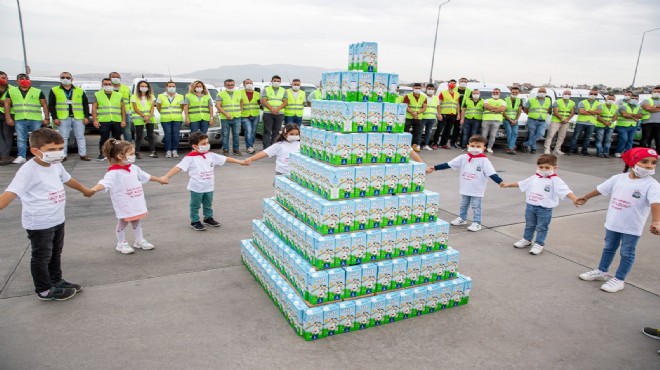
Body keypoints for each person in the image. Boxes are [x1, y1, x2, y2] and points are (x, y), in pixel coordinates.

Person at [0, 128, 92, 300]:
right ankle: (44, 289)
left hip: (57, 219)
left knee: (56, 253)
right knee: (41, 257)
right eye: (51, 150)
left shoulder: (56, 164)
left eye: (60, 148)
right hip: (40, 223)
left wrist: (84, 190)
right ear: (35, 151)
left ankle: (56, 281)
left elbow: (68, 179)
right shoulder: (28, 170)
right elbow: (10, 193)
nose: (57, 153)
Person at [576, 147, 660, 293]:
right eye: (645, 161)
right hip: (613, 222)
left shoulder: (652, 185)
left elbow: (655, 203)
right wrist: (586, 197)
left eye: (653, 163)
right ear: (633, 161)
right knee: (608, 248)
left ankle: (619, 279)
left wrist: (656, 221)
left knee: (627, 253)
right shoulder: (618, 178)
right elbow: (601, 189)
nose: (649, 166)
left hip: (632, 227)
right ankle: (602, 272)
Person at [89, 139, 167, 254]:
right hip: (124, 203)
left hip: (136, 201)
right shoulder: (113, 172)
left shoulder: (133, 168)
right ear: (120, 156)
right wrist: (93, 189)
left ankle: (139, 240)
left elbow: (146, 176)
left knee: (136, 221)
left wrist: (159, 179)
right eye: (131, 154)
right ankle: (121, 243)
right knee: (123, 222)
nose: (133, 156)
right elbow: (104, 183)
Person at [163, 132, 247, 231]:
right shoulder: (190, 157)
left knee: (208, 204)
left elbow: (225, 158)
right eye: (203, 144)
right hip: (196, 188)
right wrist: (166, 176)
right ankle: (194, 221)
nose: (206, 145)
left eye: (207, 143)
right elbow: (178, 167)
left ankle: (208, 218)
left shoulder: (211, 155)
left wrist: (240, 162)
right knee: (195, 205)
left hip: (209, 186)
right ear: (195, 146)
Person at [499, 154, 579, 255]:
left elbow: (565, 191)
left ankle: (539, 243)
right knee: (529, 225)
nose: (544, 169)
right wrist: (508, 184)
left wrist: (574, 199)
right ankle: (527, 239)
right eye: (541, 167)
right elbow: (522, 183)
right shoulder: (534, 177)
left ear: (554, 168)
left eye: (547, 167)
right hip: (530, 207)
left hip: (544, 209)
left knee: (542, 227)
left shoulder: (555, 180)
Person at [426, 134, 504, 232]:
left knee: (476, 206)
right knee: (463, 204)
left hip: (477, 188)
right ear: (468, 146)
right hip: (466, 187)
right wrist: (435, 167)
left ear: (483, 148)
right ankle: (462, 218)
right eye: (472, 146)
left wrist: (500, 182)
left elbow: (491, 173)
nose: (475, 148)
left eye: (478, 146)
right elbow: (449, 164)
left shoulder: (484, 160)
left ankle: (477, 222)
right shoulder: (463, 157)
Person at [4, 73, 50, 164]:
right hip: (20, 118)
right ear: (17, 81)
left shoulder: (37, 91)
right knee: (21, 138)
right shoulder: (11, 91)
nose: (24, 80)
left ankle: (39, 155)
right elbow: (7, 104)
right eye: (21, 79)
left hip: (35, 118)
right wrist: (8, 118)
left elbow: (44, 104)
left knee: (37, 138)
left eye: (27, 78)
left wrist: (47, 118)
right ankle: (21, 156)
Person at [48, 72, 90, 161]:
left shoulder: (80, 91)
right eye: (63, 77)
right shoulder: (54, 90)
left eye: (67, 77)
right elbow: (51, 105)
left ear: (72, 79)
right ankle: (63, 155)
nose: (65, 79)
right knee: (63, 137)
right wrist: (54, 117)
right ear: (60, 78)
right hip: (63, 117)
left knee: (80, 136)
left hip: (78, 117)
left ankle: (83, 154)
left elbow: (85, 104)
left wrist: (86, 116)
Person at [92, 78, 125, 161]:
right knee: (104, 138)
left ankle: (118, 153)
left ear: (112, 85)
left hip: (116, 120)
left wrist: (123, 120)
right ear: (102, 85)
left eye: (109, 84)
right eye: (105, 84)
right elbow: (94, 108)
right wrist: (95, 120)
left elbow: (123, 108)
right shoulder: (97, 94)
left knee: (117, 138)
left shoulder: (119, 95)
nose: (108, 86)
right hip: (104, 120)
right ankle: (102, 154)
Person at [568, 89, 601, 156]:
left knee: (588, 138)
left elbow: (599, 112)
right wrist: (593, 112)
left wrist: (587, 110)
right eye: (592, 93)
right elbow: (582, 112)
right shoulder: (582, 102)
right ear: (589, 94)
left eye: (595, 94)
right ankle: (572, 150)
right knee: (575, 137)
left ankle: (584, 151)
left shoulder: (599, 103)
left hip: (591, 123)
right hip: (581, 122)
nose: (593, 95)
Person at [156, 81, 184, 158]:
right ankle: (168, 150)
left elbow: (182, 107)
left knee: (176, 134)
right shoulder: (161, 96)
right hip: (165, 119)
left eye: (173, 86)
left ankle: (175, 150)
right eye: (170, 86)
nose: (171, 88)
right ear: (166, 87)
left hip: (177, 118)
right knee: (167, 134)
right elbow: (159, 107)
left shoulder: (180, 96)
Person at [131, 80, 157, 159]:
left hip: (150, 118)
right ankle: (137, 152)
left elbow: (152, 108)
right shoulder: (134, 97)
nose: (144, 88)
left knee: (150, 135)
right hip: (139, 118)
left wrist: (148, 116)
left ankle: (153, 151)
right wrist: (143, 116)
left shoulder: (151, 96)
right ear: (138, 87)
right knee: (139, 136)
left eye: (145, 86)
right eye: (142, 86)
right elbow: (135, 108)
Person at [216, 79, 243, 156]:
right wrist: (226, 114)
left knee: (236, 134)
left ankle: (236, 149)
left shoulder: (238, 93)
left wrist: (240, 110)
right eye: (228, 85)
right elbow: (218, 105)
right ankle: (225, 149)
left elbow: (241, 102)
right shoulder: (221, 94)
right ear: (225, 85)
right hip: (225, 118)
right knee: (225, 134)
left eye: (232, 85)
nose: (230, 86)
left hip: (236, 117)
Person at [521, 87, 551, 154]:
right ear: (538, 92)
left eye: (543, 91)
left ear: (546, 93)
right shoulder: (531, 100)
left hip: (542, 121)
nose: (542, 93)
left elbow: (549, 109)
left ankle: (525, 144)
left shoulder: (548, 100)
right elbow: (526, 109)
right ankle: (533, 148)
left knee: (541, 134)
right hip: (532, 120)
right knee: (532, 134)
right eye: (540, 91)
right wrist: (531, 115)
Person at [545, 90, 575, 155]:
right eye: (565, 93)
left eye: (568, 94)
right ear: (562, 94)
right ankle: (547, 148)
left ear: (570, 95)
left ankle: (557, 149)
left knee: (562, 136)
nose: (567, 95)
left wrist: (567, 119)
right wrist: (562, 119)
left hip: (566, 122)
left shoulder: (572, 103)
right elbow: (555, 112)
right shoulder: (557, 102)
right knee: (551, 135)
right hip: (556, 120)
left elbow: (572, 112)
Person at [261, 75, 288, 149]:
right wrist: (272, 109)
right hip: (268, 113)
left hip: (279, 114)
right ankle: (266, 148)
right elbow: (264, 101)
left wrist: (277, 109)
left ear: (280, 82)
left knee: (277, 131)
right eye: (275, 81)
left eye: (278, 81)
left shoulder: (284, 90)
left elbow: (285, 102)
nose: (276, 82)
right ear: (271, 81)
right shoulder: (266, 89)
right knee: (267, 131)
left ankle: (274, 147)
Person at [435, 79, 461, 149]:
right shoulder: (443, 93)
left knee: (448, 130)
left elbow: (457, 104)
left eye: (454, 83)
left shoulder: (457, 94)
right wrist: (439, 114)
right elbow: (439, 104)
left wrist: (458, 114)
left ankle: (443, 143)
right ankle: (435, 143)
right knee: (439, 129)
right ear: (448, 84)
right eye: (451, 83)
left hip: (452, 114)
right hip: (443, 113)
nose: (452, 84)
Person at [403, 83, 427, 152]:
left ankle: (414, 146)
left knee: (417, 132)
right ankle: (405, 145)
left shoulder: (423, 97)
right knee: (406, 131)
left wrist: (417, 113)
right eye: (416, 88)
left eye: (419, 88)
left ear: (421, 88)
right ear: (413, 88)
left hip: (418, 117)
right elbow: (406, 106)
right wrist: (413, 113)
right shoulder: (407, 96)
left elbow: (424, 107)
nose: (417, 89)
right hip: (409, 117)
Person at [109, 72, 132, 143]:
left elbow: (130, 100)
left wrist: (130, 111)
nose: (115, 78)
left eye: (117, 77)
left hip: (126, 113)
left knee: (127, 132)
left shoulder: (126, 88)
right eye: (113, 77)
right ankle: (111, 149)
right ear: (110, 78)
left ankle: (128, 149)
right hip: (112, 114)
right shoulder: (107, 89)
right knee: (111, 133)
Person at [481, 88, 506, 153]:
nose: (495, 93)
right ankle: (481, 147)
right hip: (486, 119)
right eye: (494, 92)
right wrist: (497, 108)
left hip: (496, 120)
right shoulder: (487, 100)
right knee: (484, 134)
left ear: (499, 93)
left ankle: (489, 147)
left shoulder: (503, 101)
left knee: (493, 135)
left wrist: (492, 108)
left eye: (496, 92)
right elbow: (486, 106)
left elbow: (502, 109)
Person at [240, 79, 260, 154]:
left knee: (253, 132)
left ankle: (250, 145)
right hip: (244, 115)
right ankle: (249, 147)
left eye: (250, 83)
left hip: (255, 114)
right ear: (244, 84)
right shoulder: (240, 93)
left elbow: (260, 103)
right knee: (248, 131)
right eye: (247, 83)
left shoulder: (257, 93)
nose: (249, 84)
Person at [0, 71, 15, 165]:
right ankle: (3, 155)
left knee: (7, 136)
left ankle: (5, 156)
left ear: (7, 78)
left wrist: (3, 103)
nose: (2, 80)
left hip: (9, 114)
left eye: (4, 77)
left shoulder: (13, 89)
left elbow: (15, 102)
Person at [640, 86, 660, 152]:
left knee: (658, 139)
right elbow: (648, 108)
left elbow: (650, 108)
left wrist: (653, 107)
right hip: (647, 123)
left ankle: (658, 153)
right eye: (655, 92)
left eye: (658, 92)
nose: (656, 93)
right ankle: (644, 153)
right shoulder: (646, 100)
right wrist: (657, 108)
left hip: (659, 123)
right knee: (646, 138)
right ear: (652, 92)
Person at [503, 87, 523, 155]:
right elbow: (503, 111)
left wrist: (515, 120)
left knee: (515, 133)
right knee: (509, 132)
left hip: (515, 120)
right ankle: (511, 148)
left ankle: (510, 147)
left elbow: (519, 111)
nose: (514, 93)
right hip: (506, 119)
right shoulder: (505, 100)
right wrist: (510, 120)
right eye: (513, 92)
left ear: (518, 93)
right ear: (510, 92)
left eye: (516, 92)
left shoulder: (520, 100)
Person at [421, 84, 439, 151]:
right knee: (420, 131)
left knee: (428, 132)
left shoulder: (436, 98)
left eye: (432, 89)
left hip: (432, 117)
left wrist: (439, 114)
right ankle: (417, 145)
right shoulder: (423, 97)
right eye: (429, 89)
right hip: (423, 117)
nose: (430, 90)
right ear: (426, 89)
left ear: (434, 90)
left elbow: (438, 106)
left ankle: (426, 145)